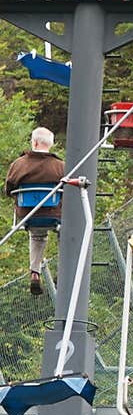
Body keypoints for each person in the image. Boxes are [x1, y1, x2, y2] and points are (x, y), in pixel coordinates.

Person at [6, 127, 64, 296]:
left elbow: (9, 189)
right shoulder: (60, 166)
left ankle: (35, 272)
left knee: (37, 235)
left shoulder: (18, 165)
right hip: (53, 215)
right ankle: (63, 271)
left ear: (35, 142)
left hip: (27, 215)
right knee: (65, 233)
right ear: (50, 145)